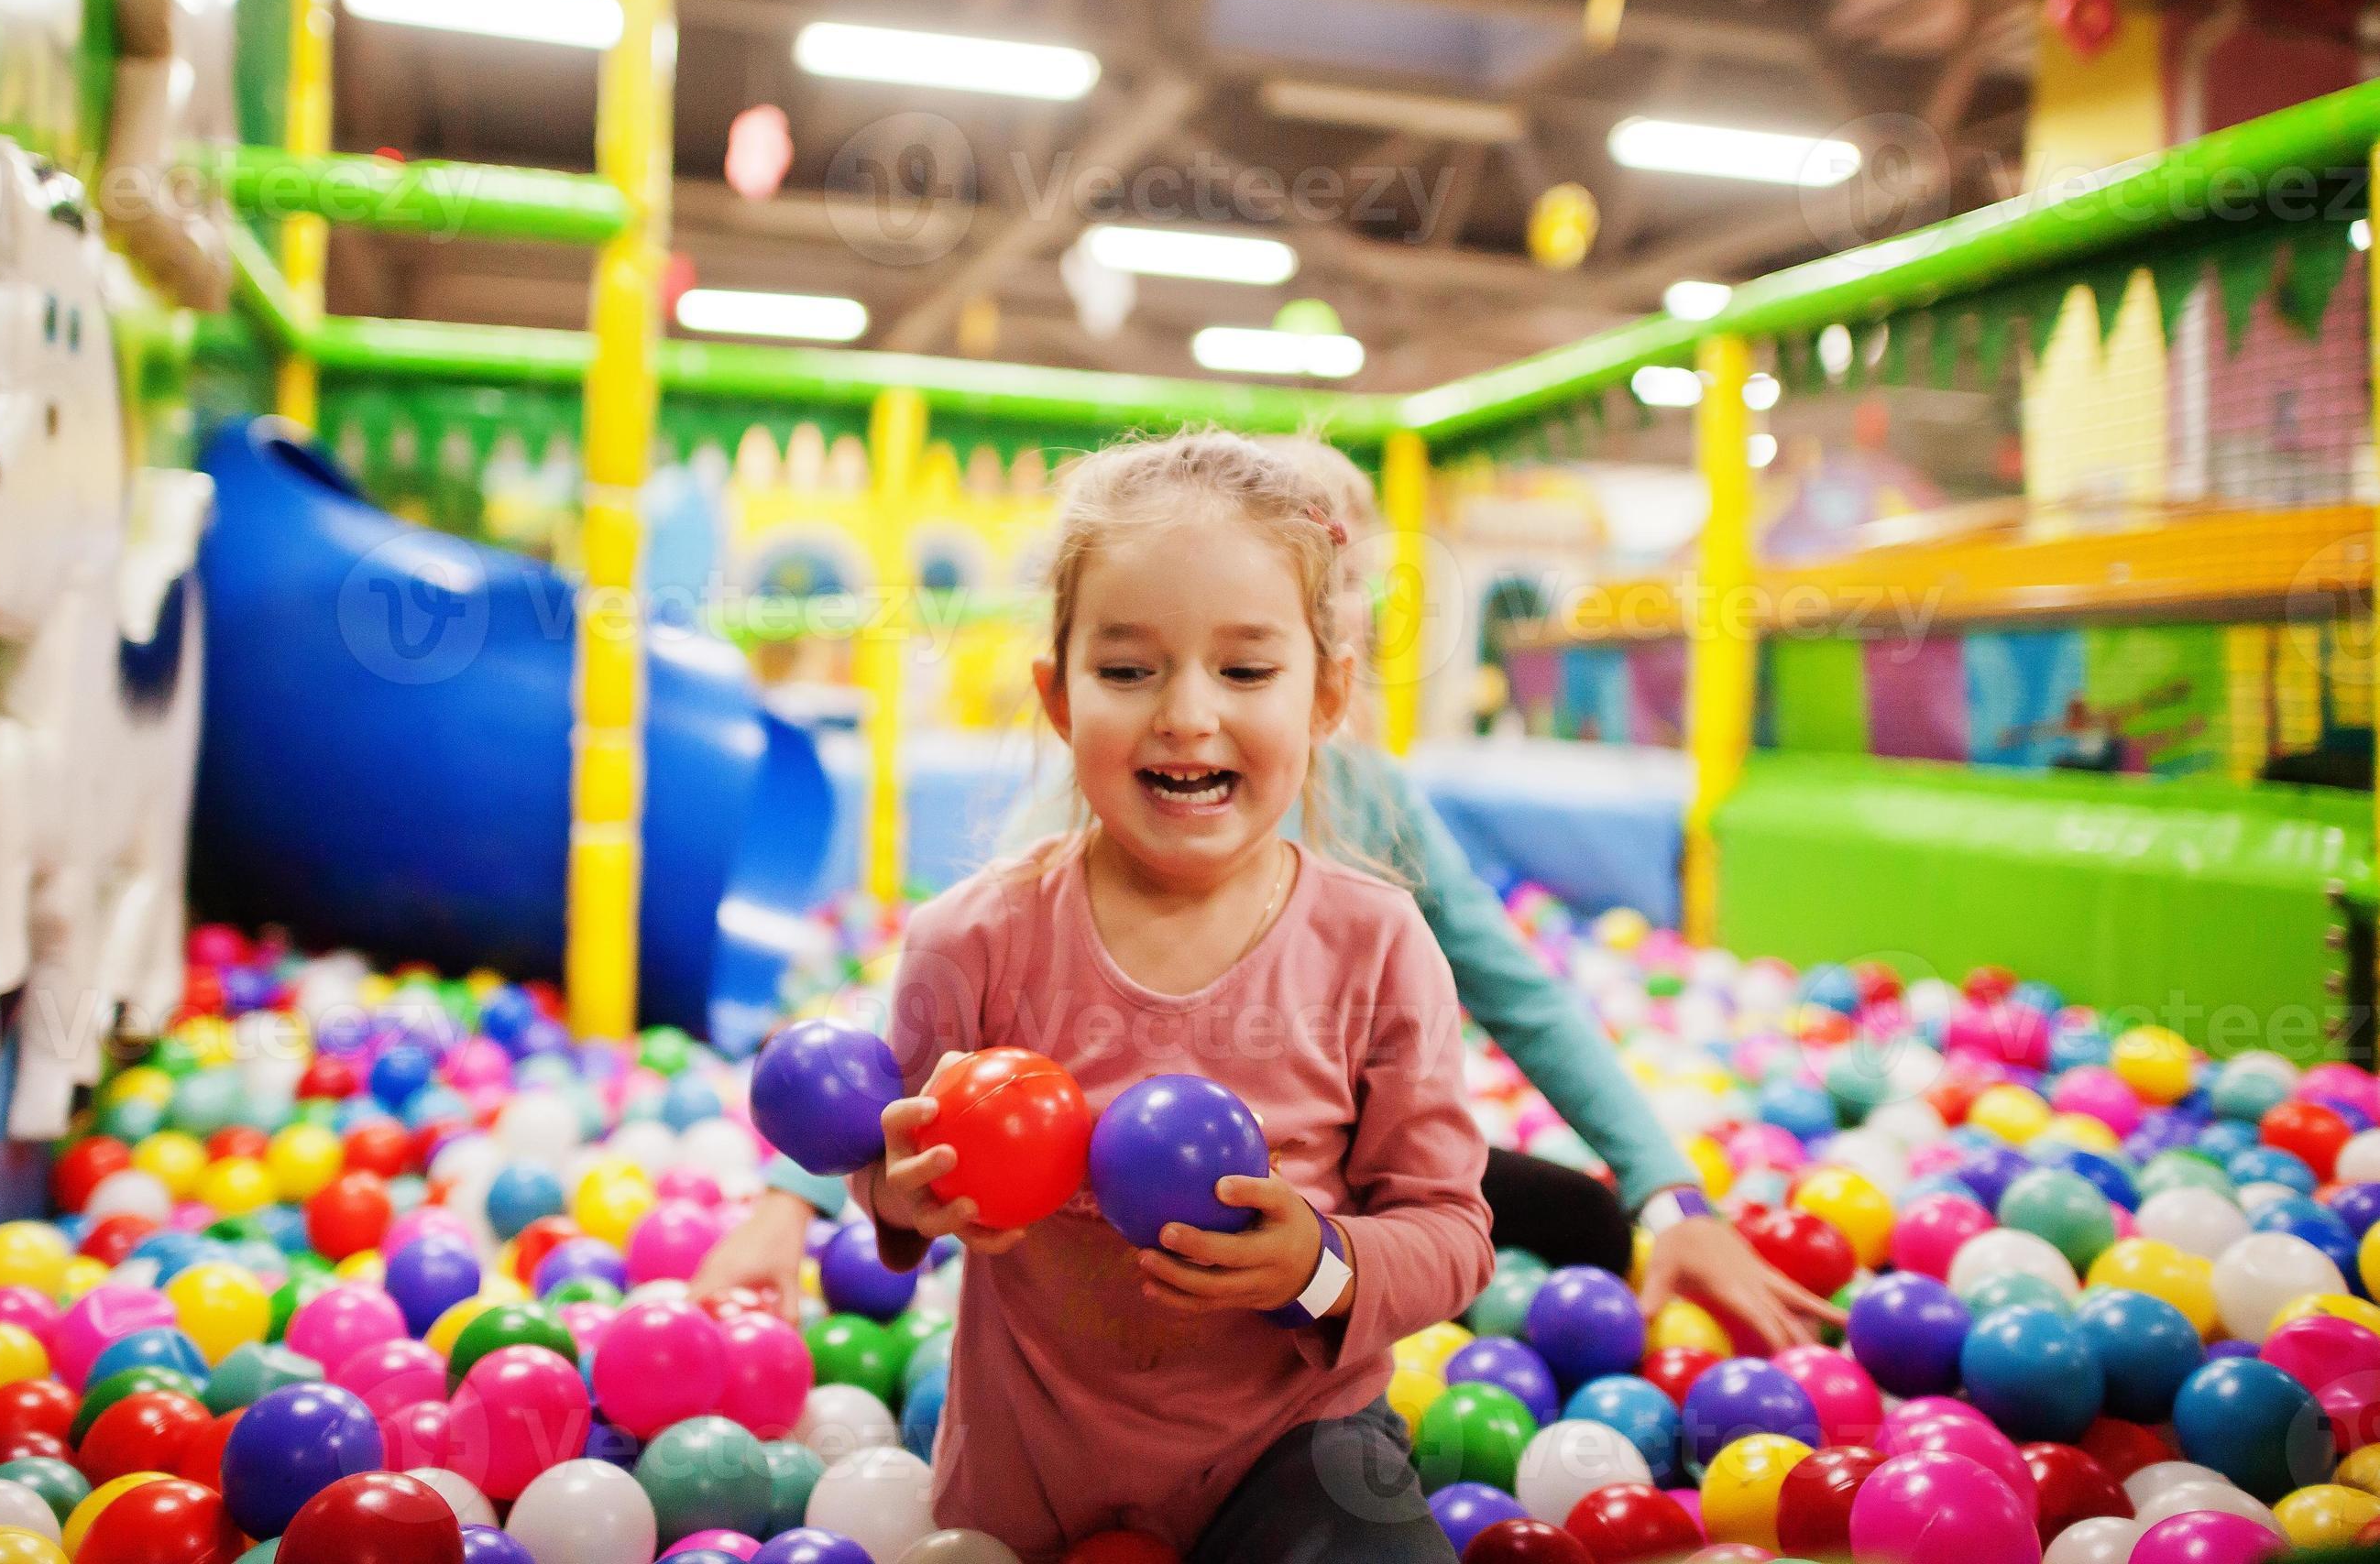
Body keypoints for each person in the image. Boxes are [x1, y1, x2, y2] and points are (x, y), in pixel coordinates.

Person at [701, 435, 1837, 1356]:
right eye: (1151, 659)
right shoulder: (1100, 803)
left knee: (1580, 1219)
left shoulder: (1364, 798)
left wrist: (1673, 1197)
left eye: (1254, 659)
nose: (1197, 708)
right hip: (1099, 1216)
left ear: (1326, 668)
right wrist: (794, 1194)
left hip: (1303, 1179)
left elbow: (1519, 993)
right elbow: (925, 1023)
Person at [861, 431, 1491, 1559]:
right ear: (1058, 698)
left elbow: (1450, 1229)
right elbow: (887, 1167)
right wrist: (904, 1198)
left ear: (1328, 694)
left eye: (1246, 670)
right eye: (1128, 668)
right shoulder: (973, 940)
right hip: (1033, 1475)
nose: (1187, 714)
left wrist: (1318, 1262)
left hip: (1296, 1448)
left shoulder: (1376, 944)